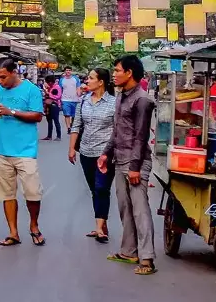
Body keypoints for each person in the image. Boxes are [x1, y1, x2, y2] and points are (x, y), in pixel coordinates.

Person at [100, 55, 157, 274]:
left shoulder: (142, 100)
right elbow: (118, 130)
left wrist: (134, 167)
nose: (113, 74)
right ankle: (129, 251)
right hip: (120, 159)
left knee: (140, 210)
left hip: (136, 162)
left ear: (129, 73)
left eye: (117, 70)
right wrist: (106, 153)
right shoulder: (121, 96)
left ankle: (147, 259)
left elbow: (140, 136)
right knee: (125, 209)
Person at [0, 57, 45, 246]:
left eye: (3, 77)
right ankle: (13, 232)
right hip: (1, 150)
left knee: (32, 192)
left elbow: (37, 115)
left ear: (14, 72)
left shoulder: (31, 90)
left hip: (25, 151)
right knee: (7, 194)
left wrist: (10, 112)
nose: (0, 81)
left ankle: (34, 225)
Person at [69, 67, 116, 244]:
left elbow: (118, 130)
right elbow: (76, 126)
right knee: (94, 189)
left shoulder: (114, 103)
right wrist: (72, 148)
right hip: (86, 152)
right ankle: (102, 224)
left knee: (102, 188)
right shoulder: (83, 101)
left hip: (105, 154)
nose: (87, 81)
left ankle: (98, 228)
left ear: (101, 82)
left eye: (90, 78)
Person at [59, 66, 81, 132]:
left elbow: (78, 87)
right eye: (67, 70)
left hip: (75, 99)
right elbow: (60, 90)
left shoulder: (75, 79)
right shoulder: (62, 80)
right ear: (64, 71)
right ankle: (68, 128)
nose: (68, 71)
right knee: (67, 114)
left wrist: (79, 94)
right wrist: (59, 99)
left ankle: (72, 125)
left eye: (69, 70)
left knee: (74, 115)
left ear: (71, 71)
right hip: (65, 99)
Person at [43, 75, 63, 141]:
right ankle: (49, 136)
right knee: (49, 121)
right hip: (48, 105)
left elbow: (58, 96)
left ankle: (58, 136)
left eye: (48, 82)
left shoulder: (57, 87)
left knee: (56, 120)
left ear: (51, 82)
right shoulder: (50, 87)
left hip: (54, 105)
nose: (47, 83)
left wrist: (49, 94)